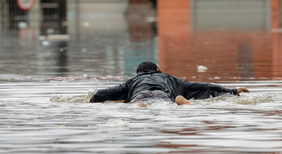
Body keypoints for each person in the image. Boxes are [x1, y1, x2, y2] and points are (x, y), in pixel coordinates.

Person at [90, 61, 250, 106]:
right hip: (164, 94)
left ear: (138, 74)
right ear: (158, 70)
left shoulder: (133, 81)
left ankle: (138, 106)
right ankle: (182, 101)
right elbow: (205, 86)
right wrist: (232, 91)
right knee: (171, 103)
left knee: (133, 105)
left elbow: (101, 94)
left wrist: (92, 99)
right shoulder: (171, 79)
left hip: (140, 95)